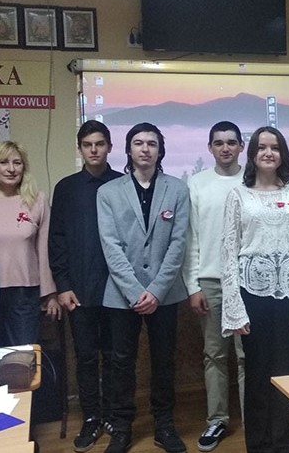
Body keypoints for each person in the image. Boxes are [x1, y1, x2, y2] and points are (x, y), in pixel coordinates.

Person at [220, 126, 289, 453]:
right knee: (257, 373)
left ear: (282, 154)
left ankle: (284, 444)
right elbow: (229, 251)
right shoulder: (238, 195)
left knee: (285, 376)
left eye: (274, 147)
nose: (268, 153)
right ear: (252, 154)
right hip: (253, 296)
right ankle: (259, 446)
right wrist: (235, 308)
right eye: (261, 147)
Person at [97, 122, 190, 453]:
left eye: (152, 143)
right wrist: (136, 292)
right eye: (138, 143)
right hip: (122, 295)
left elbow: (178, 244)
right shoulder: (108, 192)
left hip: (165, 294)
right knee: (122, 361)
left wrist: (157, 290)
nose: (145, 149)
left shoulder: (177, 189)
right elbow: (110, 246)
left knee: (164, 361)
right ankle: (122, 428)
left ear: (160, 150)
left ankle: (164, 425)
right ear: (128, 149)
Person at [49, 120, 123, 452]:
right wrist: (62, 285)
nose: (94, 150)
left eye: (100, 144)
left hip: (117, 290)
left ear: (109, 147)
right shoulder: (66, 188)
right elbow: (57, 240)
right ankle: (91, 416)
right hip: (78, 290)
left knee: (116, 357)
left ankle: (115, 415)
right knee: (86, 357)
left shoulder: (122, 184)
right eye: (87, 144)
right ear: (79, 148)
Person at [183, 121, 246, 452]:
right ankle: (217, 419)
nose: (225, 148)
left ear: (241, 147)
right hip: (210, 282)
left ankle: (252, 417)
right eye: (218, 143)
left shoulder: (253, 181)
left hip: (247, 283)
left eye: (231, 142)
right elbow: (190, 238)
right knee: (215, 354)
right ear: (210, 148)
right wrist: (193, 286)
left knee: (247, 354)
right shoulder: (197, 184)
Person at [0, 141, 58, 347]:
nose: (11, 169)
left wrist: (50, 294)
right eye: (3, 162)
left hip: (24, 294)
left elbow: (44, 250)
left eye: (17, 163)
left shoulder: (37, 200)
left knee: (22, 354)